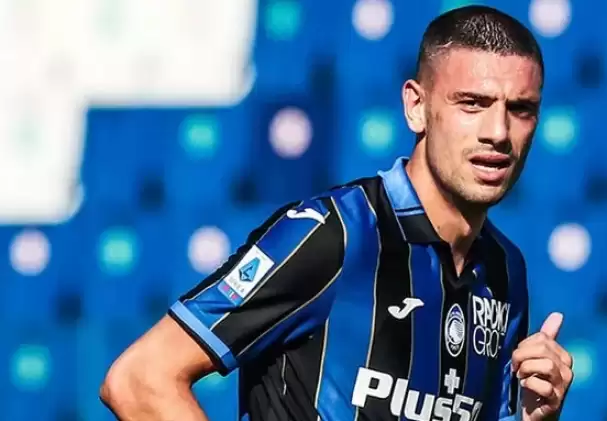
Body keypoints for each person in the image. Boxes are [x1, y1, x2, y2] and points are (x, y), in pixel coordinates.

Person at [100, 5, 573, 421]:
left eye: (521, 109)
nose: (498, 132)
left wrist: (534, 418)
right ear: (416, 107)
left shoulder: (504, 271)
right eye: (472, 104)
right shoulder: (336, 234)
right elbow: (140, 379)